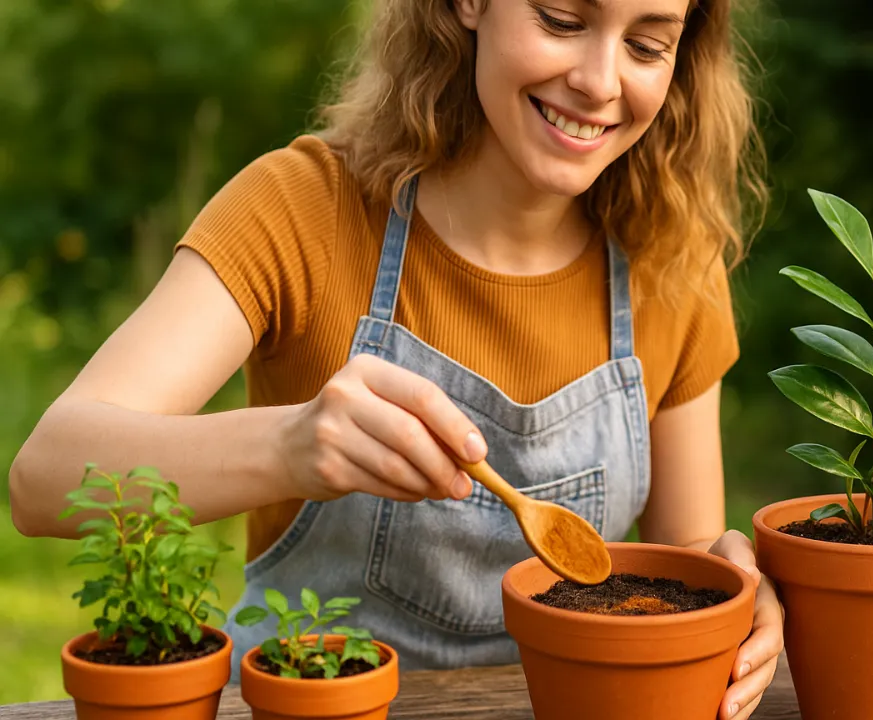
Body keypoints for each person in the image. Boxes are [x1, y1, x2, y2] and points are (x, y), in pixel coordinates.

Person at [9, 0, 781, 716]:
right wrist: (291, 446)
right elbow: (44, 477)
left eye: (647, 45)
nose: (599, 80)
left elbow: (681, 554)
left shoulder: (671, 258)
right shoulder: (304, 210)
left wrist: (731, 582)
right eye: (561, 18)